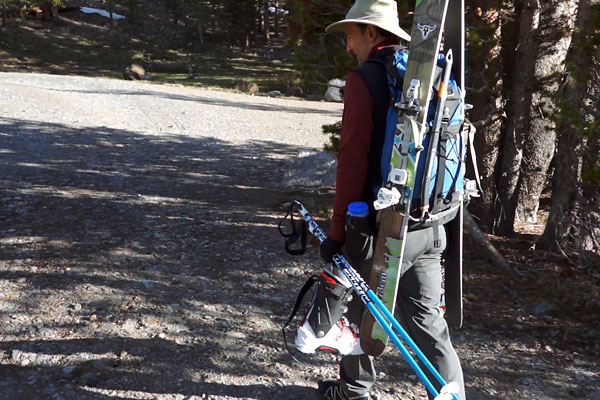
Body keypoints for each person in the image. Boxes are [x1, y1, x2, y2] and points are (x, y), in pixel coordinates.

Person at [316, 1, 466, 399]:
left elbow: (351, 162)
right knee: (428, 323)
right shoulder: (429, 74)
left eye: (350, 35)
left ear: (370, 32)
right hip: (433, 221)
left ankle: (354, 392)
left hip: (387, 228)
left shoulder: (365, 79)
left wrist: (337, 233)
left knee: (361, 311)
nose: (348, 46)